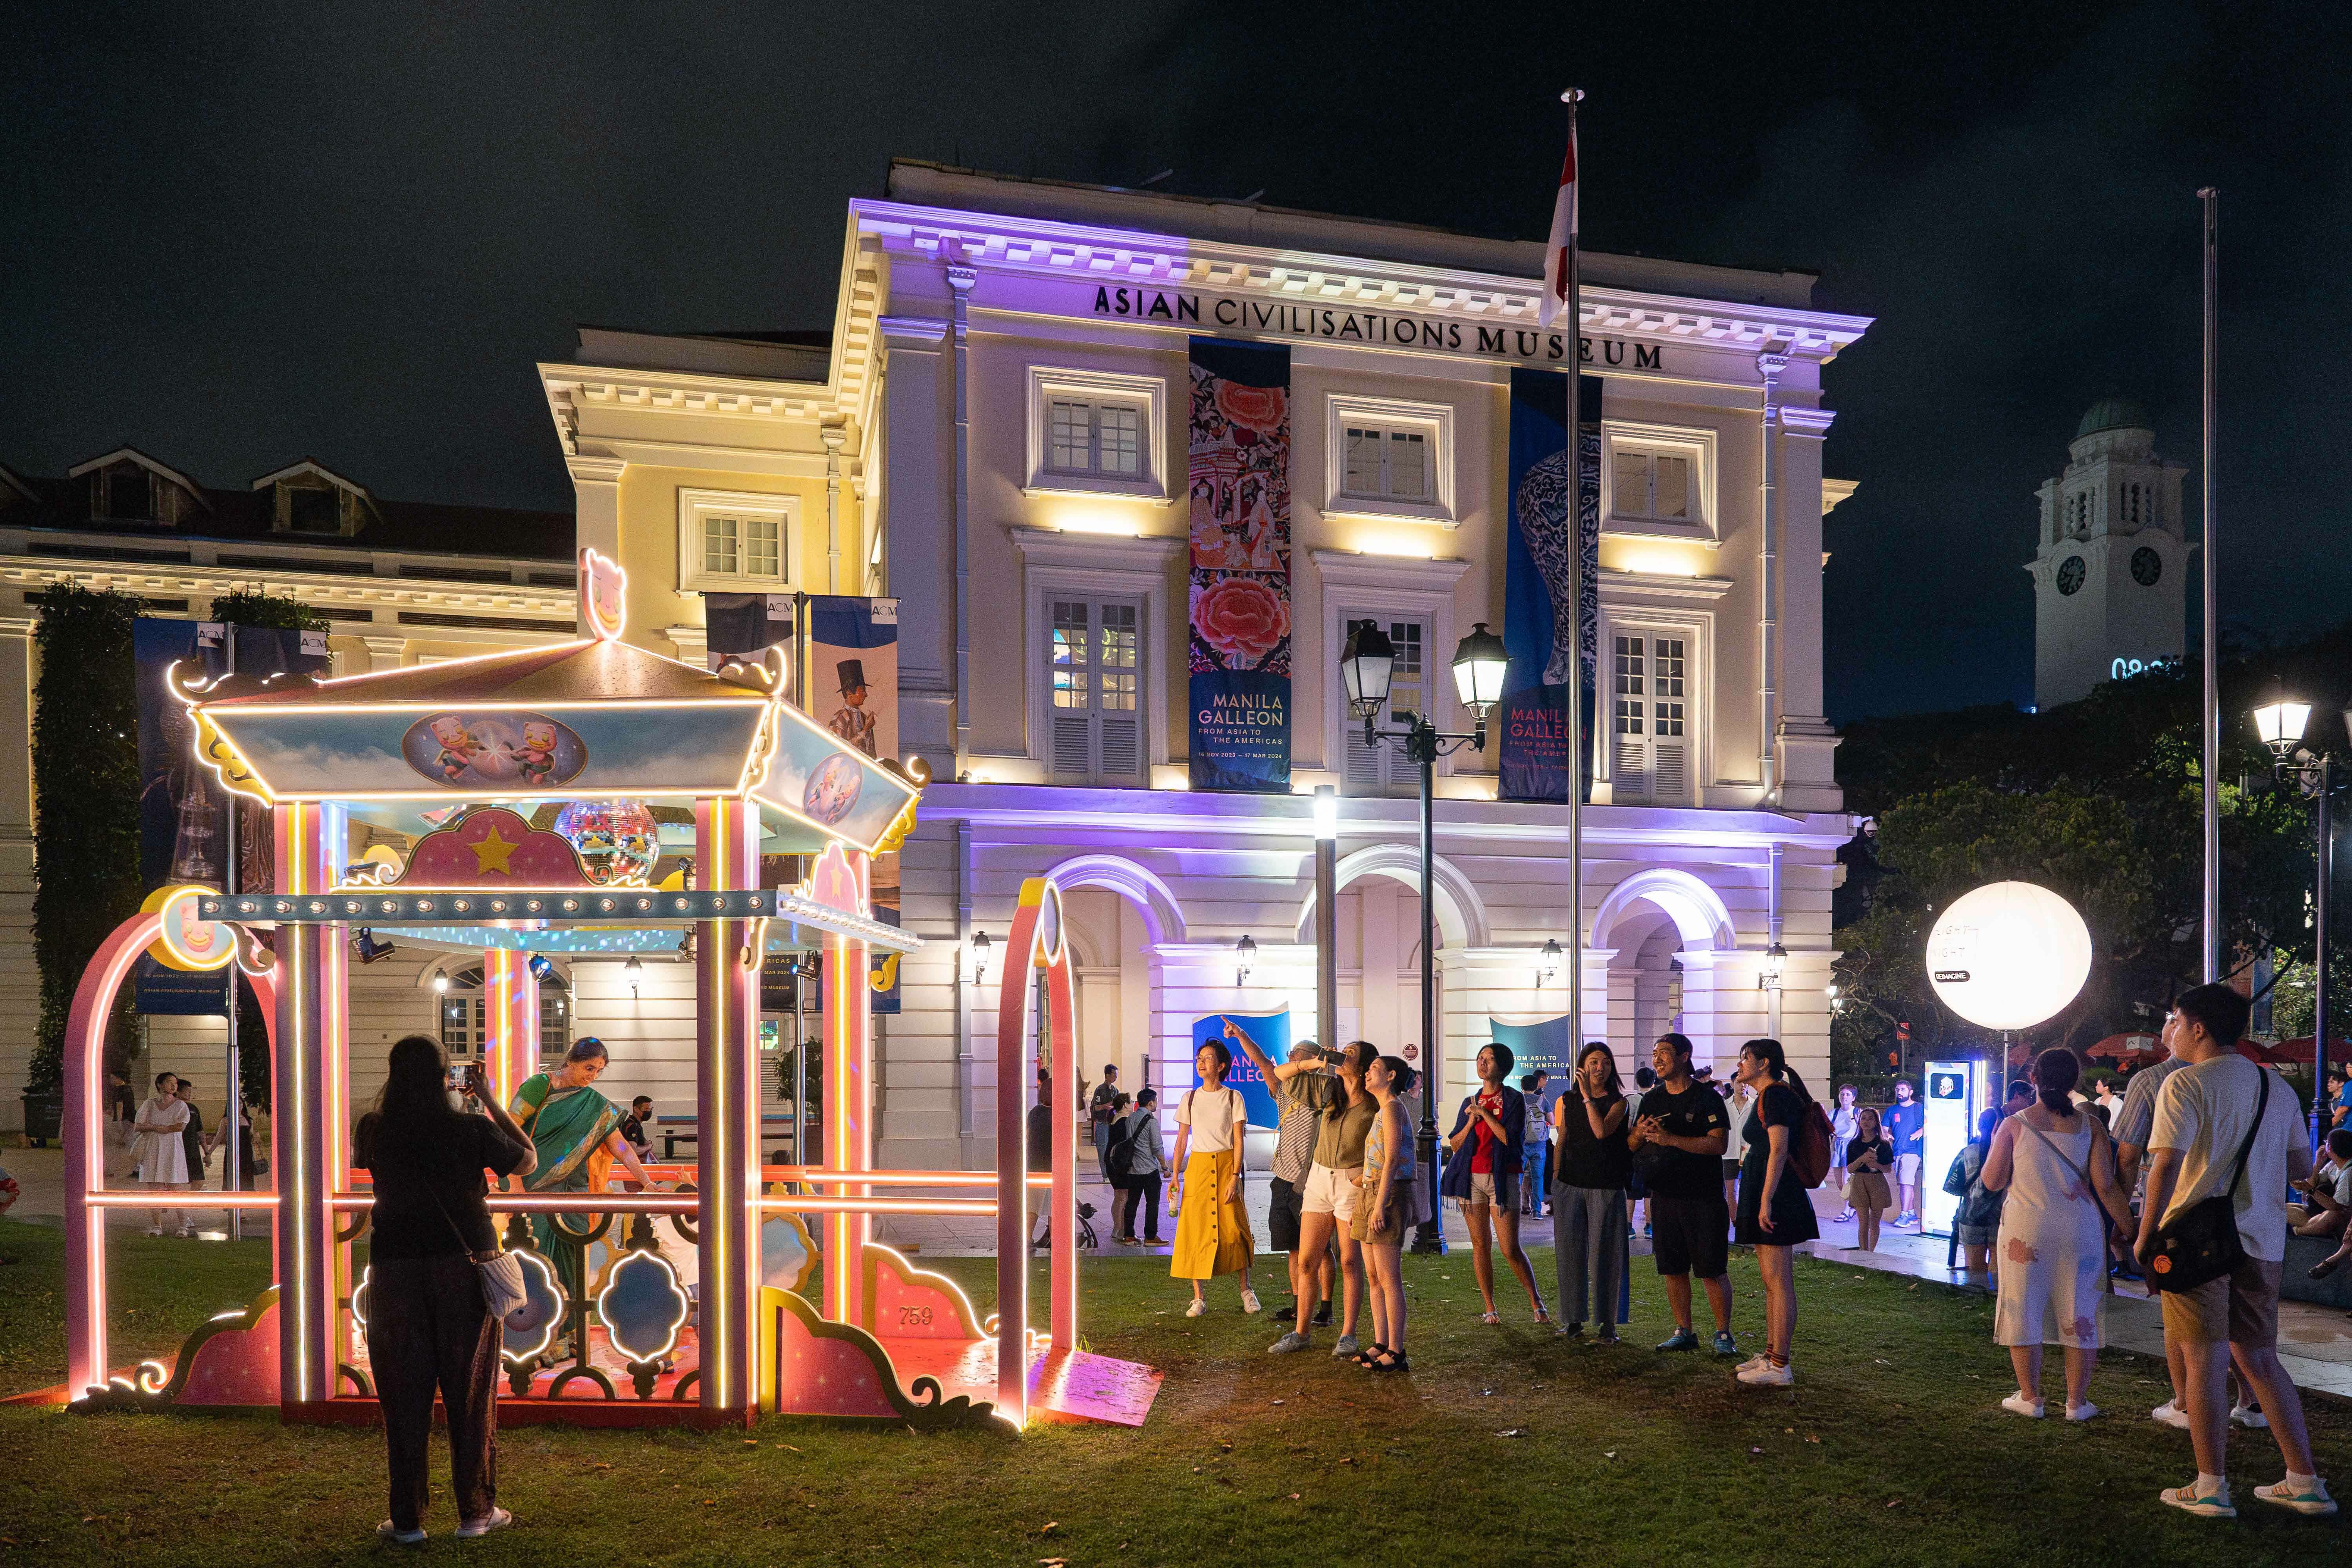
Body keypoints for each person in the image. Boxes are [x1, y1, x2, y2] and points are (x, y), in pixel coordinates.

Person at [2136, 982, 2335, 1518]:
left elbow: (2166, 1165)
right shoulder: (2278, 1090)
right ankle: (2305, 1479)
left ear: (2198, 1028)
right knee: (2260, 1357)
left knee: (2203, 1360)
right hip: (2264, 1240)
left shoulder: (2184, 1086)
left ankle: (2210, 1487)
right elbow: (2300, 1170)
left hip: (2197, 1240)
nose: (2171, 1031)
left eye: (2176, 1021)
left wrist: (2145, 1232)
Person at [356, 1034, 535, 1544]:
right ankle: (476, 1512)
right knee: (470, 1391)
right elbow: (527, 1161)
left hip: (394, 1270)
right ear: (445, 1078)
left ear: (393, 1077)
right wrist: (488, 1098)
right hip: (463, 1268)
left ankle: (408, 1520)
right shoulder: (470, 1128)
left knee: (403, 1393)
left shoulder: (373, 1130)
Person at [1983, 1048, 2133, 1422]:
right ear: (2074, 1083)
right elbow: (2107, 1188)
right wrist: (2132, 1231)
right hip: (2080, 1230)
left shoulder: (2014, 1124)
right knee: (2080, 1311)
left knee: (2023, 1307)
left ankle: (2031, 1397)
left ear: (2033, 1079)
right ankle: (2077, 1403)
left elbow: (1992, 1180)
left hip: (2026, 1232)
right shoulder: (2092, 1126)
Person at [1227, 1022, 1376, 1357]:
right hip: (1313, 1180)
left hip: (1347, 1182)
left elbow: (1384, 1143)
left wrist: (1363, 1176)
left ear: (1365, 1066)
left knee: (1349, 1260)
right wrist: (1314, 1062)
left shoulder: (1371, 1104)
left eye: (1350, 1052)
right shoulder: (1326, 1089)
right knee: (1304, 1256)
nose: (1342, 1053)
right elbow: (1276, 1069)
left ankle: (1346, 1332)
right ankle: (1301, 1331)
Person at [508, 1038, 657, 1332]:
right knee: (538, 1259)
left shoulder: (595, 1105)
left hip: (573, 1191)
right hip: (533, 1188)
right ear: (571, 1061)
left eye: (599, 1071)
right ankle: (537, 1336)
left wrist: (647, 1182)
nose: (593, 1076)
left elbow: (621, 1147)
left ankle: (573, 1334)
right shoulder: (539, 1087)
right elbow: (509, 1129)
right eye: (589, 1068)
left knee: (574, 1259)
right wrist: (515, 1184)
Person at [1629, 1033, 1737, 1357]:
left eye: (1664, 1053)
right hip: (1664, 1195)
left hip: (1703, 1197)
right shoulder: (1653, 1099)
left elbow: (1718, 1144)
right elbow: (1633, 1143)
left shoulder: (1707, 1098)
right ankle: (1684, 1330)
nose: (1657, 1060)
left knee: (1711, 1269)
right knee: (1673, 1268)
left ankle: (1723, 1335)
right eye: (1655, 1053)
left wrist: (1670, 1139)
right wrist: (1640, 1134)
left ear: (1685, 1056)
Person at [2112, 1009, 2194, 1421]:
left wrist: (2125, 1220)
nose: (2167, 1024)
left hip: (2172, 1213)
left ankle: (2183, 1401)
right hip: (2241, 1216)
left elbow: (2128, 1156)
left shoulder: (2152, 1081)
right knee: (2237, 1318)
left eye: (2172, 1017)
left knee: (2175, 1308)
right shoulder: (2256, 1081)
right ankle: (2247, 1400)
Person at [1730, 1038, 1818, 1386]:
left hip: (1778, 1196)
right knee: (1771, 1281)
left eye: (1745, 1058)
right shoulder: (1767, 1096)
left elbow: (1779, 1150)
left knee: (1779, 1281)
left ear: (1764, 1063)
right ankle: (1771, 1355)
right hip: (1764, 1192)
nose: (1740, 1065)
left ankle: (1780, 1364)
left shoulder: (1777, 1095)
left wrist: (1766, 1200)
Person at [1443, 1043, 1548, 1326]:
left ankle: (1536, 1300)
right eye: (1480, 1058)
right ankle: (1490, 1306)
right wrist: (1471, 1121)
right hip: (1470, 1180)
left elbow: (1511, 1141)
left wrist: (1487, 1115)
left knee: (1510, 1248)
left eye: (1489, 1059)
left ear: (1502, 1066)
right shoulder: (1470, 1101)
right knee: (1480, 1245)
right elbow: (1454, 1143)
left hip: (1502, 1179)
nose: (1483, 1063)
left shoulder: (1514, 1101)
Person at [1166, 1040, 1261, 1317]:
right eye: (1199, 1058)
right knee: (1195, 1229)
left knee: (1235, 1228)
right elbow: (1182, 1138)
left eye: (1208, 1058)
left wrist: (1235, 1175)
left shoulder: (1233, 1097)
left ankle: (1247, 1290)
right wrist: (1175, 1175)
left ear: (1221, 1066)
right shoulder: (1190, 1098)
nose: (1201, 1062)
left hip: (1225, 1165)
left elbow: (1238, 1139)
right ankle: (1198, 1297)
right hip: (1197, 1167)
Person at [1553, 1042, 1630, 1341]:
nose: (1600, 1068)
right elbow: (1563, 1138)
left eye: (1606, 1063)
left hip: (1606, 1184)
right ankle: (1573, 1320)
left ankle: (1608, 1323)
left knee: (1606, 1255)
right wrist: (1557, 1176)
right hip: (1570, 1183)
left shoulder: (1618, 1102)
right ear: (1583, 1067)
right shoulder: (1568, 1100)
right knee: (1569, 1253)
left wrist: (1587, 1097)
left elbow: (1600, 1132)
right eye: (1594, 1062)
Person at [1352, 1054, 1418, 1372]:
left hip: (1387, 1194)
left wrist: (1378, 1204)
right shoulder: (1382, 1111)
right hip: (1370, 1191)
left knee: (1389, 1277)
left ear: (1391, 1076)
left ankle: (1397, 1349)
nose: (1367, 1073)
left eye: (1375, 1069)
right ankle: (1381, 1342)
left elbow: (1392, 1159)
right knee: (1374, 1276)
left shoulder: (1393, 1108)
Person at [1257, 1041, 1330, 1326]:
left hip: (1311, 1183)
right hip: (1283, 1180)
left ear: (1313, 1060)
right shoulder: (1285, 1092)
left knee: (1322, 1250)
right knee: (1294, 1248)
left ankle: (1325, 1308)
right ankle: (1300, 1305)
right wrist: (1240, 1035)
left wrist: (1316, 1065)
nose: (1291, 1058)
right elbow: (1267, 1064)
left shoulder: (1324, 1091)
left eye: (1297, 1054)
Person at [131, 1071, 191, 1238]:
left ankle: (183, 1225)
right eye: (170, 1082)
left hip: (173, 1150)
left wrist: (162, 1129)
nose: (174, 1086)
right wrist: (156, 1128)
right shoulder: (150, 1104)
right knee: (154, 1190)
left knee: (176, 1189)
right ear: (160, 1085)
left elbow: (181, 1126)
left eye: (176, 1084)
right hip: (152, 1149)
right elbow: (138, 1125)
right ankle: (157, 1225)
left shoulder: (180, 1106)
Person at [1950, 1109, 2005, 1285]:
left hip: (1971, 1217)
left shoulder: (1968, 1152)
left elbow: (1953, 1187)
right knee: (1999, 1269)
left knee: (1974, 1271)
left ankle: (1976, 1299)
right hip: (2000, 1216)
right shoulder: (2007, 1153)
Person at [1110, 1088, 1165, 1245]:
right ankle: (1151, 1236)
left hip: (1133, 1169)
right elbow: (1157, 1147)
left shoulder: (1131, 1118)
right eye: (1156, 1101)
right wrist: (1165, 1167)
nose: (1157, 1104)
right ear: (1150, 1103)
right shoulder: (1152, 1122)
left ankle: (1129, 1236)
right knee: (1152, 1203)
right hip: (1149, 1169)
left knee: (1132, 1203)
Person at [1845, 1105, 1895, 1253]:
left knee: (1875, 1222)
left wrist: (1876, 1164)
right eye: (1863, 1118)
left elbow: (1888, 1169)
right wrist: (1862, 1159)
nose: (1866, 1122)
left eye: (1870, 1119)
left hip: (1877, 1182)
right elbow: (1850, 1169)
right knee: (1863, 1222)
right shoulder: (1854, 1144)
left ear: (1876, 1122)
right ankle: (1863, 1251)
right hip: (1859, 1182)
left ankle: (1871, 1252)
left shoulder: (1884, 1145)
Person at [2287, 1128, 2352, 1239]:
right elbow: (2311, 1184)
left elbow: (2336, 1207)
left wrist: (2308, 1189)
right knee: (2285, 1208)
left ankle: (2299, 1231)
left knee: (2331, 1216)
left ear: (2329, 1148)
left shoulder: (2349, 1172)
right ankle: (2315, 1228)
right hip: (2321, 1211)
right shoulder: (2333, 1164)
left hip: (2341, 1217)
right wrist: (2318, 1162)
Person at [1885, 1078, 1925, 1229]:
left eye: (1902, 1089)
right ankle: (1911, 1213)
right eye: (1897, 1090)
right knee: (1905, 1183)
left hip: (1913, 1151)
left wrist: (1920, 1132)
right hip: (1897, 1151)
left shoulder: (1919, 1109)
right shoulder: (1892, 1110)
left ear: (1911, 1092)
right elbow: (1884, 1128)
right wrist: (1886, 1135)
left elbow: (1932, 1124)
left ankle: (1904, 1215)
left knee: (1905, 1182)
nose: (1899, 1092)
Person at [174, 1078, 211, 1234]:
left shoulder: (194, 1109)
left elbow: (200, 1131)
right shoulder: (173, 1108)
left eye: (191, 1091)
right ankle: (182, 1215)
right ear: (178, 1091)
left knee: (199, 1182)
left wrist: (207, 1152)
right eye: (187, 1091)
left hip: (193, 1151)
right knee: (177, 1184)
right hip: (177, 1150)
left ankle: (182, 1207)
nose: (190, 1094)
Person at [1720, 1071, 1756, 1216]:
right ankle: (1735, 1220)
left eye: (1745, 1083)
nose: (1743, 1086)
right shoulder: (1724, 1106)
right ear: (1732, 1084)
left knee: (1749, 1189)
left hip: (1748, 1151)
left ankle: (1747, 1220)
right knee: (1731, 1191)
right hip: (1729, 1152)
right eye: (1739, 1083)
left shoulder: (1754, 1104)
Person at [1521, 1070, 1551, 1218]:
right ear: (1536, 1085)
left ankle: (1518, 1207)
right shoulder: (1542, 1101)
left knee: (1518, 1177)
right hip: (1539, 1144)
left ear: (1522, 1087)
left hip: (1522, 1144)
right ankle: (1537, 1211)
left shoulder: (1518, 1101)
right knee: (1538, 1178)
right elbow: (1552, 1121)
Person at [1829, 1084, 1861, 1222]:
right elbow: (1825, 1126)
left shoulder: (1858, 1112)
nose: (1845, 1097)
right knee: (1840, 1183)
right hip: (1838, 1145)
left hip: (1851, 1146)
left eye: (1848, 1095)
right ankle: (1854, 1204)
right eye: (1842, 1094)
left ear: (1853, 1098)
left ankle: (1847, 1211)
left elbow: (1866, 1128)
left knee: (1846, 1180)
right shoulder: (1835, 1113)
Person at [1089, 1064, 1123, 1187]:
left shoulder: (1115, 1091)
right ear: (1108, 1075)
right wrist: (1107, 1105)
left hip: (1112, 1124)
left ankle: (1113, 1173)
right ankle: (1106, 1175)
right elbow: (1095, 1108)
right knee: (1103, 1151)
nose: (1115, 1078)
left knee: (1113, 1150)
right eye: (1114, 1075)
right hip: (1102, 1124)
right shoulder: (1100, 1090)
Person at [619, 1096, 655, 1162]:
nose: (649, 1112)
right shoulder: (632, 1126)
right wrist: (648, 1147)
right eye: (647, 1109)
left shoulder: (636, 1124)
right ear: (636, 1109)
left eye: (651, 1109)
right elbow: (634, 1151)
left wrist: (645, 1143)